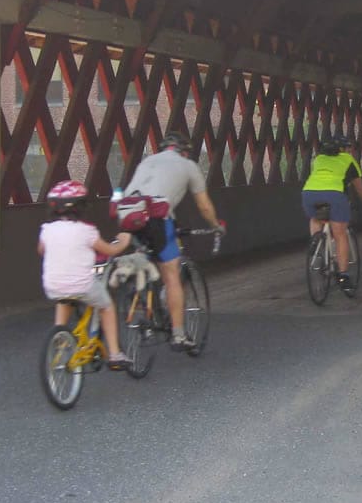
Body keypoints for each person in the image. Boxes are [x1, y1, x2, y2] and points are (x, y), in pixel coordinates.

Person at [123, 132, 226, 351]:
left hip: (128, 213)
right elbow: (204, 206)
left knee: (146, 257)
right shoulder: (188, 166)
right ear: (185, 151)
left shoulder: (147, 161)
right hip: (157, 218)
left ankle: (140, 294)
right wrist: (216, 225)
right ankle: (179, 335)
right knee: (171, 275)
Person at [37, 179, 132, 371]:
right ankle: (115, 353)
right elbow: (108, 250)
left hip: (52, 285)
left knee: (65, 299)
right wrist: (123, 241)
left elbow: (41, 250)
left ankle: (59, 336)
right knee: (106, 306)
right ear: (81, 207)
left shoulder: (47, 230)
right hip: (82, 284)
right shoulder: (86, 230)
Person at [301, 133, 362, 291]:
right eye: (348, 148)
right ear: (343, 149)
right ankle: (343, 275)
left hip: (308, 193)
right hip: (334, 195)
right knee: (340, 234)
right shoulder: (348, 160)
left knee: (315, 218)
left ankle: (316, 243)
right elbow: (359, 188)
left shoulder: (318, 159)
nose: (350, 151)